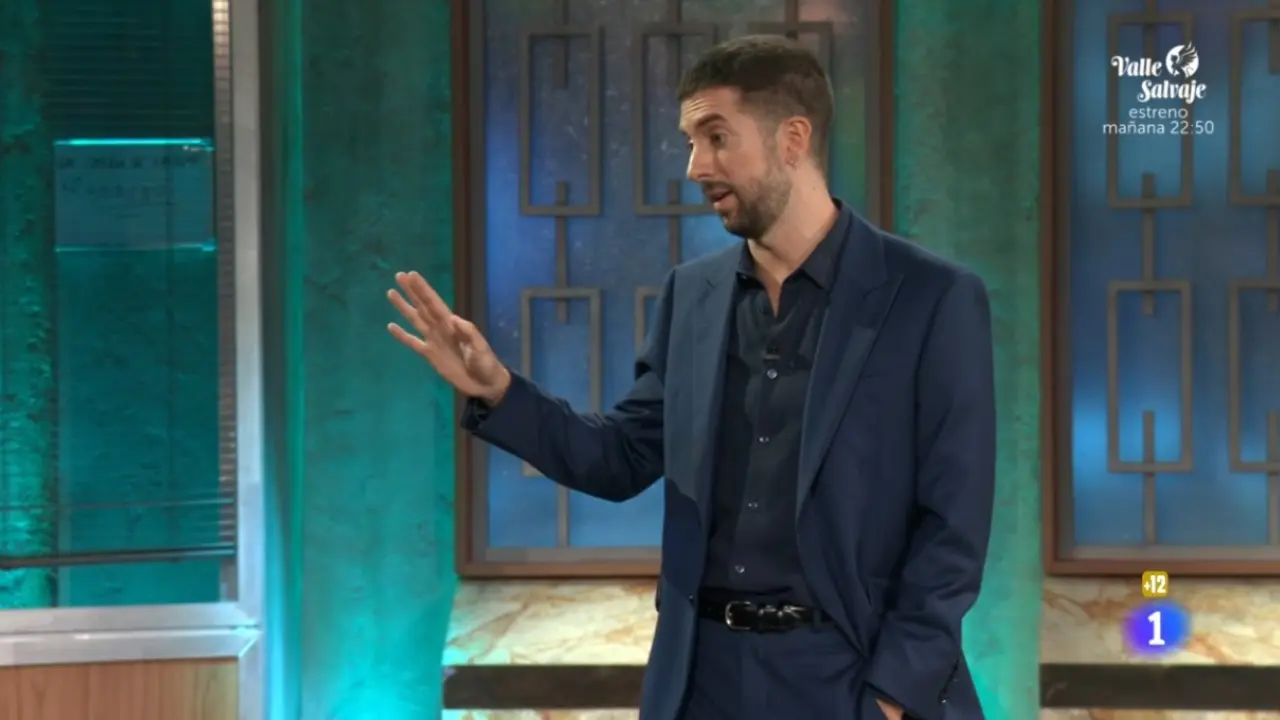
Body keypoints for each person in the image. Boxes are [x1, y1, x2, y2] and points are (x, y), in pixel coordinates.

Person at [388, 35, 995, 720]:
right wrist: (497, 390)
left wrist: (891, 696)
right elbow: (620, 457)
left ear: (793, 139)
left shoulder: (929, 298)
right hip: (703, 678)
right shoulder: (693, 296)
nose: (695, 166)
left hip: (846, 675)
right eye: (689, 143)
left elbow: (954, 525)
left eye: (716, 138)